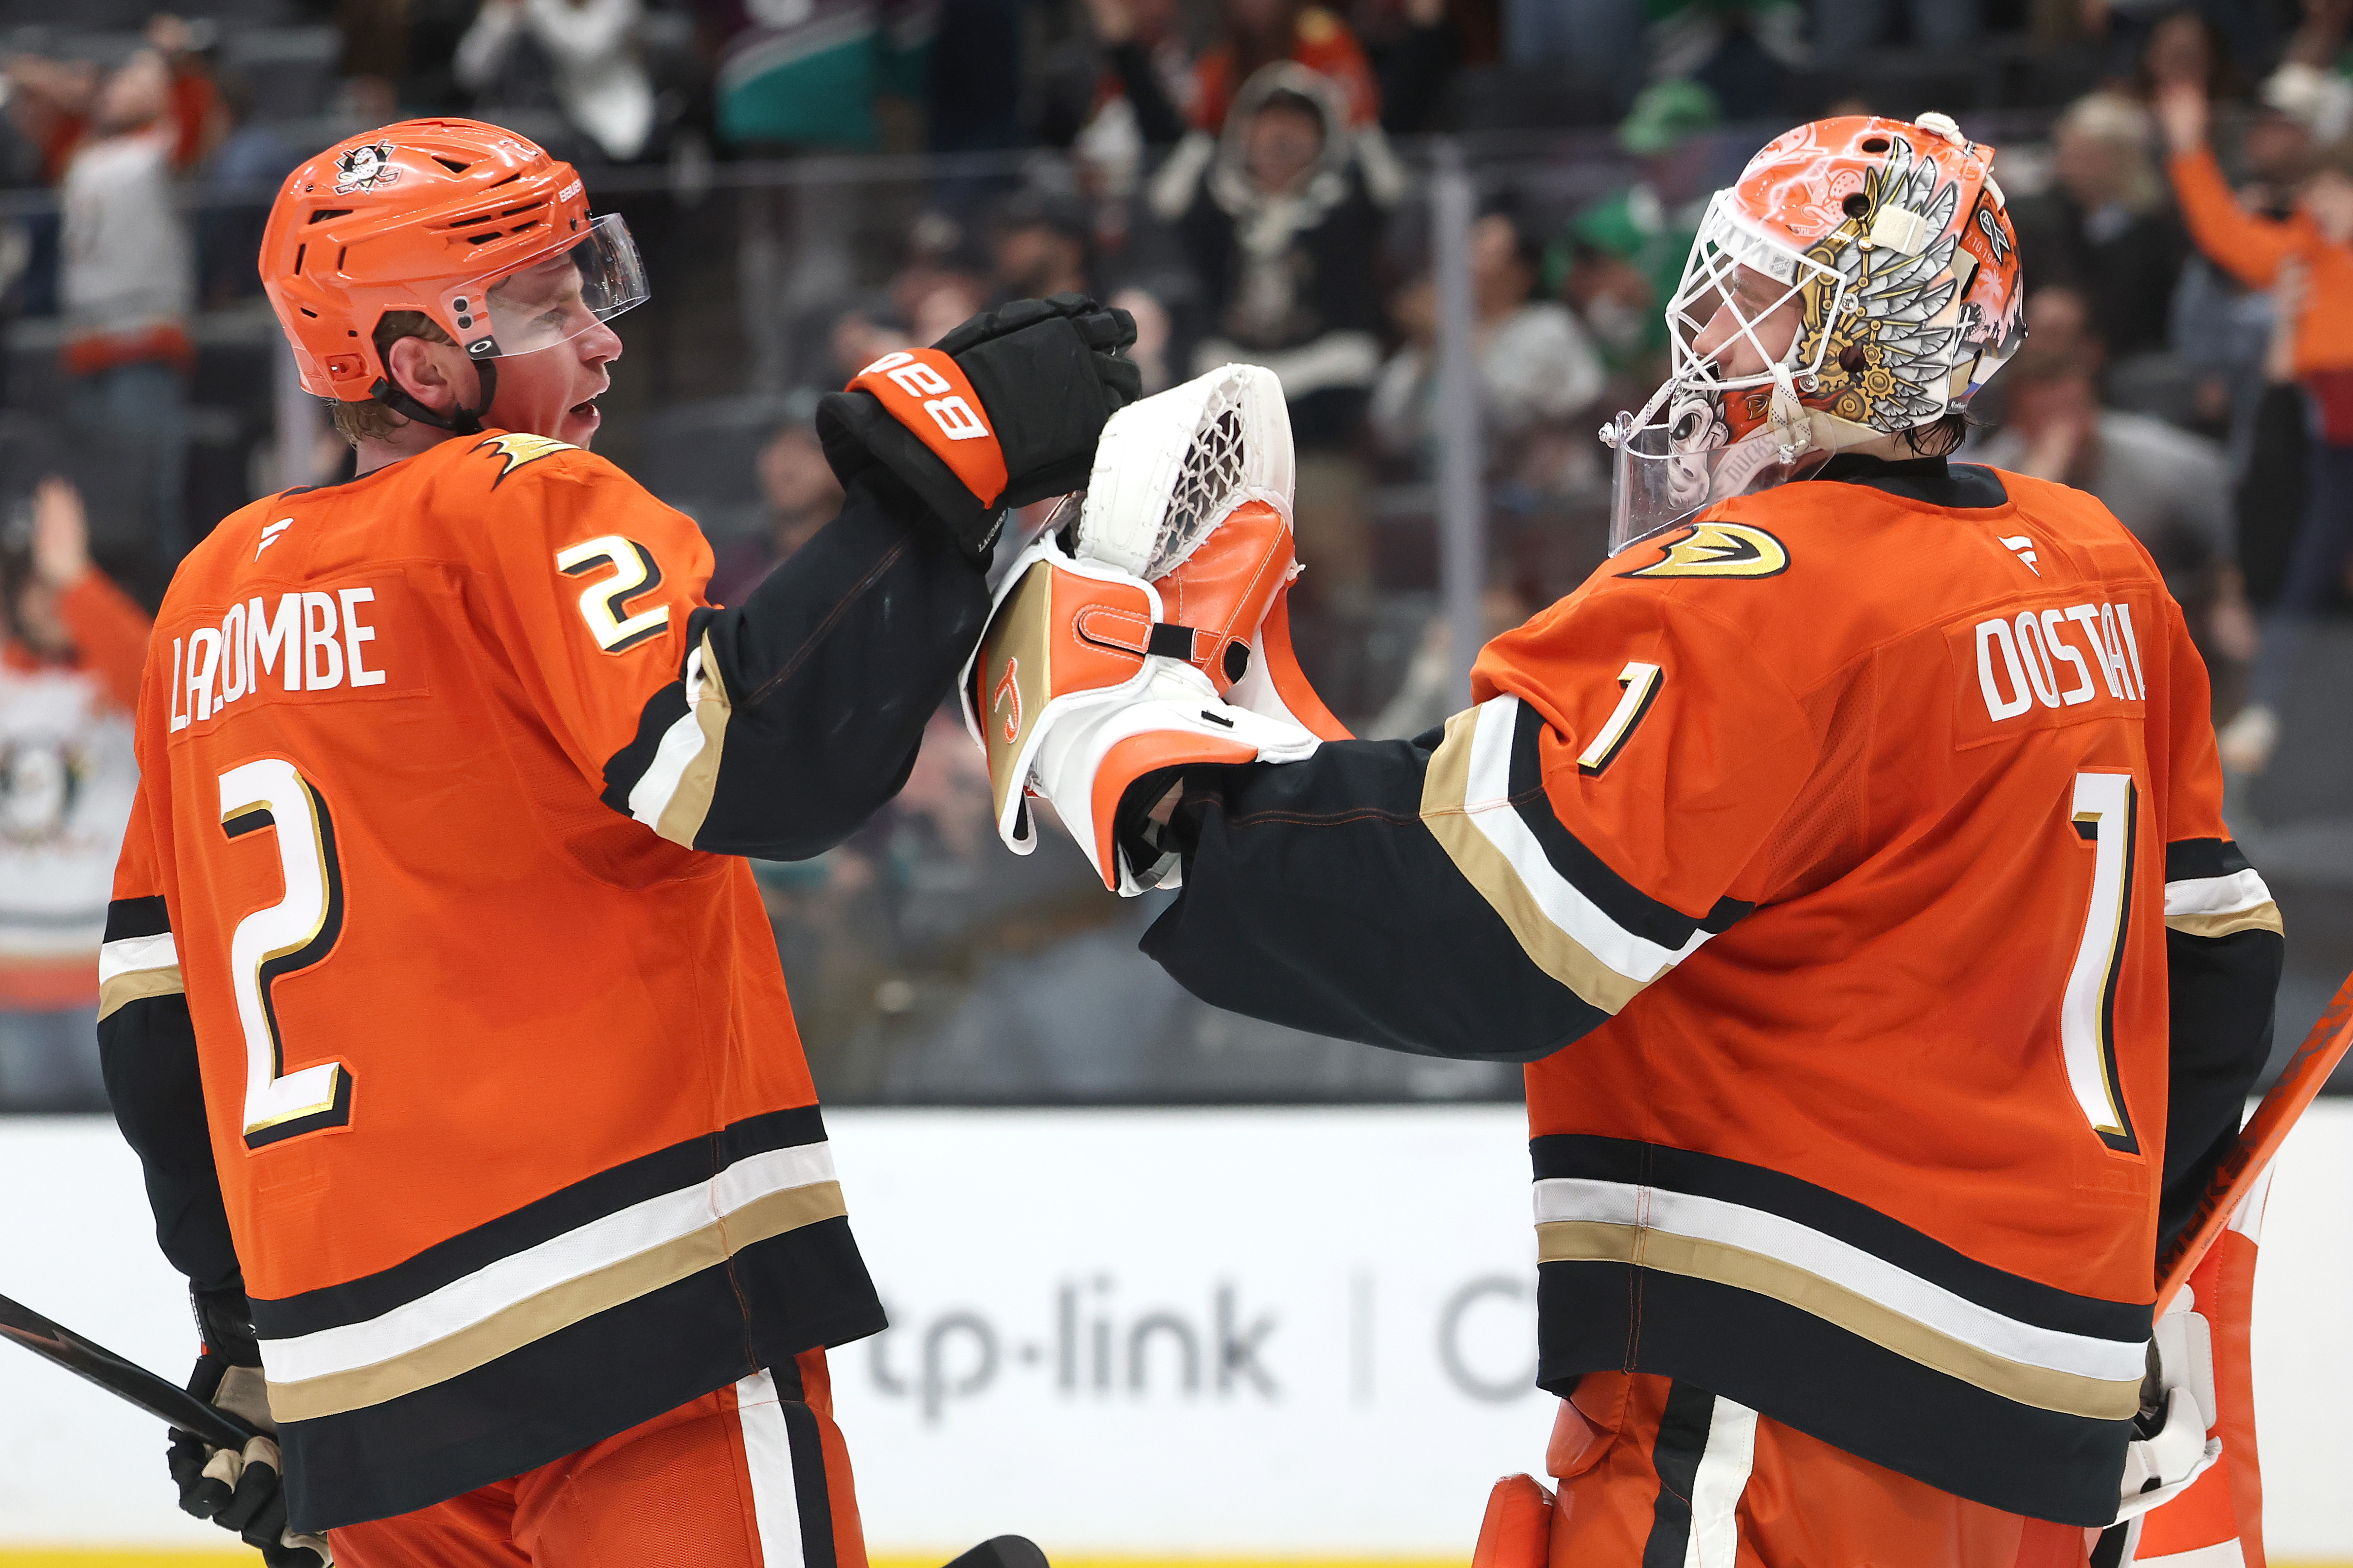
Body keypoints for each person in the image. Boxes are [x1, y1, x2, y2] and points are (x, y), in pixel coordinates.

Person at [985, 113, 2281, 1562]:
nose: (1708, 332)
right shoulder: (2100, 569)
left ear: (1855, 341)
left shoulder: (1758, 592)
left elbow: (1484, 923)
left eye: (1752, 294)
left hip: (1796, 1381)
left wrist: (1156, 793)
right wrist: (2125, 1282)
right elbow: (2212, 967)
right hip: (2048, 1434)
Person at [96, 118, 1137, 1566]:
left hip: (363, 1380)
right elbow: (761, 762)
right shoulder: (521, 496)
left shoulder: (205, 604)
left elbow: (160, 1022)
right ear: (418, 361)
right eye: (547, 304)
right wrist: (940, 465)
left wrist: (241, 1331)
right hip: (628, 1307)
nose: (601, 342)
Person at [2160, 73, 2353, 774]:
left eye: (2336, 192)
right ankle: (2265, 711)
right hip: (2334, 450)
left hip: (2331, 440)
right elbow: (2223, 232)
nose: (2321, 206)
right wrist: (2187, 148)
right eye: (2316, 194)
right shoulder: (2302, 258)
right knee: (2301, 577)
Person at [0, 476, 149, 1112]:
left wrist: (74, 577)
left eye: (62, 588)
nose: (53, 602)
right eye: (38, 585)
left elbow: (152, 682)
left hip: (106, 985)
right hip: (10, 988)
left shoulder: (119, 682)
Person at [708, 418, 849, 605]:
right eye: (776, 443)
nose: (787, 460)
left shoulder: (868, 565)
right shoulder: (724, 577)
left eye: (809, 446)